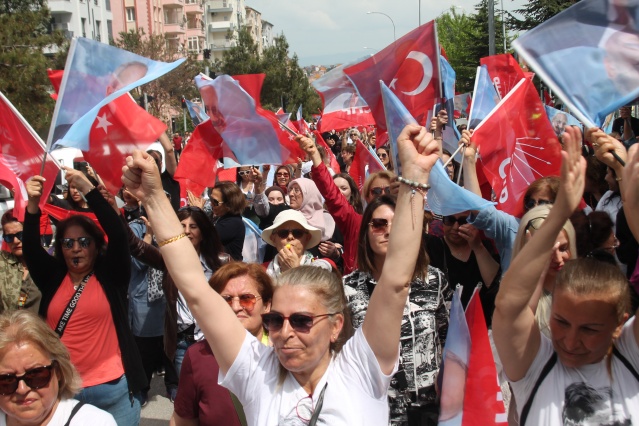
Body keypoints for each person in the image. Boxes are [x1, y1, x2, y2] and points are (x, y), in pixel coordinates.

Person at [121, 123, 441, 424]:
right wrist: (152, 198)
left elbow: (397, 280)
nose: (284, 332)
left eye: (301, 320)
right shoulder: (255, 370)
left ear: (336, 325)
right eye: (275, 320)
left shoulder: (361, 365)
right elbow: (194, 287)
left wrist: (413, 178)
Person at [493, 125, 639, 425]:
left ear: (620, 323)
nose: (570, 341)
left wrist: (629, 191)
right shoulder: (536, 366)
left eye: (589, 329)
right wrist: (558, 211)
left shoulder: (630, 357)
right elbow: (510, 308)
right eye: (560, 321)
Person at [23, 168, 146, 425]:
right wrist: (32, 207)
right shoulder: (53, 278)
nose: (76, 248)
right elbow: (32, 249)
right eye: (68, 243)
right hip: (66, 391)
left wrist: (89, 191)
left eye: (83, 241)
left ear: (95, 245)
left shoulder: (112, 276)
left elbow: (119, 235)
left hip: (114, 389)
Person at [343, 196, 452, 424]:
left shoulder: (433, 280)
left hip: (428, 408)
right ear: (366, 232)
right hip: (374, 405)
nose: (389, 231)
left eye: (398, 224)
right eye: (379, 224)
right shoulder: (348, 288)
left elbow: (447, 336)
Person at [124, 204, 226, 386]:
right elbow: (135, 246)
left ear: (203, 232)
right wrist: (114, 212)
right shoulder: (168, 261)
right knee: (186, 397)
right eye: (182, 227)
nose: (187, 231)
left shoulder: (221, 263)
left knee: (211, 393)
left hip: (214, 340)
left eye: (193, 226)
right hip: (181, 344)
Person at [171, 263, 273, 426]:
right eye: (226, 300)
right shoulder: (198, 356)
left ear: (267, 305)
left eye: (247, 299)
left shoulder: (284, 353)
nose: (235, 307)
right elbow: (183, 420)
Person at [0, 310, 116, 425]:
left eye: (35, 375)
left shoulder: (96, 422)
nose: (22, 389)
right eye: (7, 380)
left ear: (58, 371)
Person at [424, 211, 501, 326]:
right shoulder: (432, 246)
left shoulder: (485, 247)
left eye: (463, 221)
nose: (455, 227)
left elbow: (494, 285)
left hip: (479, 329)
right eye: (450, 220)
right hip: (446, 330)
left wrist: (478, 247)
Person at [511, 205, 577, 338]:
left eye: (563, 248)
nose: (558, 259)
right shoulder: (512, 293)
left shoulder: (585, 287)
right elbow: (518, 334)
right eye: (547, 251)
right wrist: (537, 274)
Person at [287, 178, 344, 269]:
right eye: (290, 190)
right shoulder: (286, 219)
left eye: (296, 190)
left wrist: (335, 253)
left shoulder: (328, 221)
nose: (290, 194)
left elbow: (344, 251)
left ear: (309, 194)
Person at [261, 210, 332, 277]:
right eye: (283, 233)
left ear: (307, 238)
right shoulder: (262, 271)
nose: (290, 237)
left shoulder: (322, 268)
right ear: (273, 239)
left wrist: (294, 270)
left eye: (298, 233)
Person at [0, 210, 41, 313]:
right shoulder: (3, 262)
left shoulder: (48, 262)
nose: (15, 241)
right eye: (9, 237)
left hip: (42, 327)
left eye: (20, 235)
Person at [209, 181, 246, 261]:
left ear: (228, 204)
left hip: (228, 271)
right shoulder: (218, 217)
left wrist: (198, 212)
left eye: (215, 202)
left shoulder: (233, 223)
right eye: (210, 199)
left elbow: (205, 237)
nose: (211, 203)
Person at [147, 133, 180, 211]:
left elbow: (169, 151)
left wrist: (157, 127)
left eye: (155, 160)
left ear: (161, 164)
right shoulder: (140, 183)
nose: (151, 163)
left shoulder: (169, 179)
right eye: (147, 160)